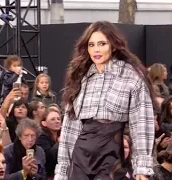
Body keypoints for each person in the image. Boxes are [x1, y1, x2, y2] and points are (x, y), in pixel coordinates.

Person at [55, 21, 156, 180]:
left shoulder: (131, 76)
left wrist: (142, 167)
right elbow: (70, 129)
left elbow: (141, 123)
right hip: (80, 157)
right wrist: (62, 171)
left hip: (111, 155)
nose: (96, 49)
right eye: (91, 44)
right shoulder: (80, 77)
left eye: (102, 43)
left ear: (114, 45)